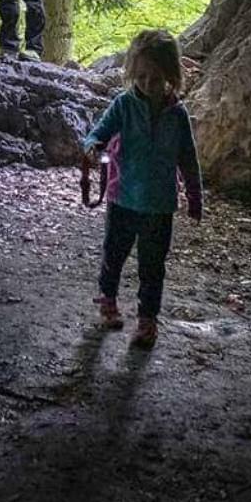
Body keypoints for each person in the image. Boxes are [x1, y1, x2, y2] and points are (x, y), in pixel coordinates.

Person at [79, 29, 203, 348]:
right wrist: (93, 146)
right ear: (133, 73)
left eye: (157, 77)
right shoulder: (123, 104)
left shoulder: (178, 115)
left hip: (160, 206)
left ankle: (147, 321)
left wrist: (194, 196)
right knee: (113, 256)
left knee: (152, 267)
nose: (148, 83)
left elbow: (188, 159)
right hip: (122, 199)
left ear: (170, 76)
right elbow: (99, 132)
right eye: (142, 76)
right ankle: (108, 299)